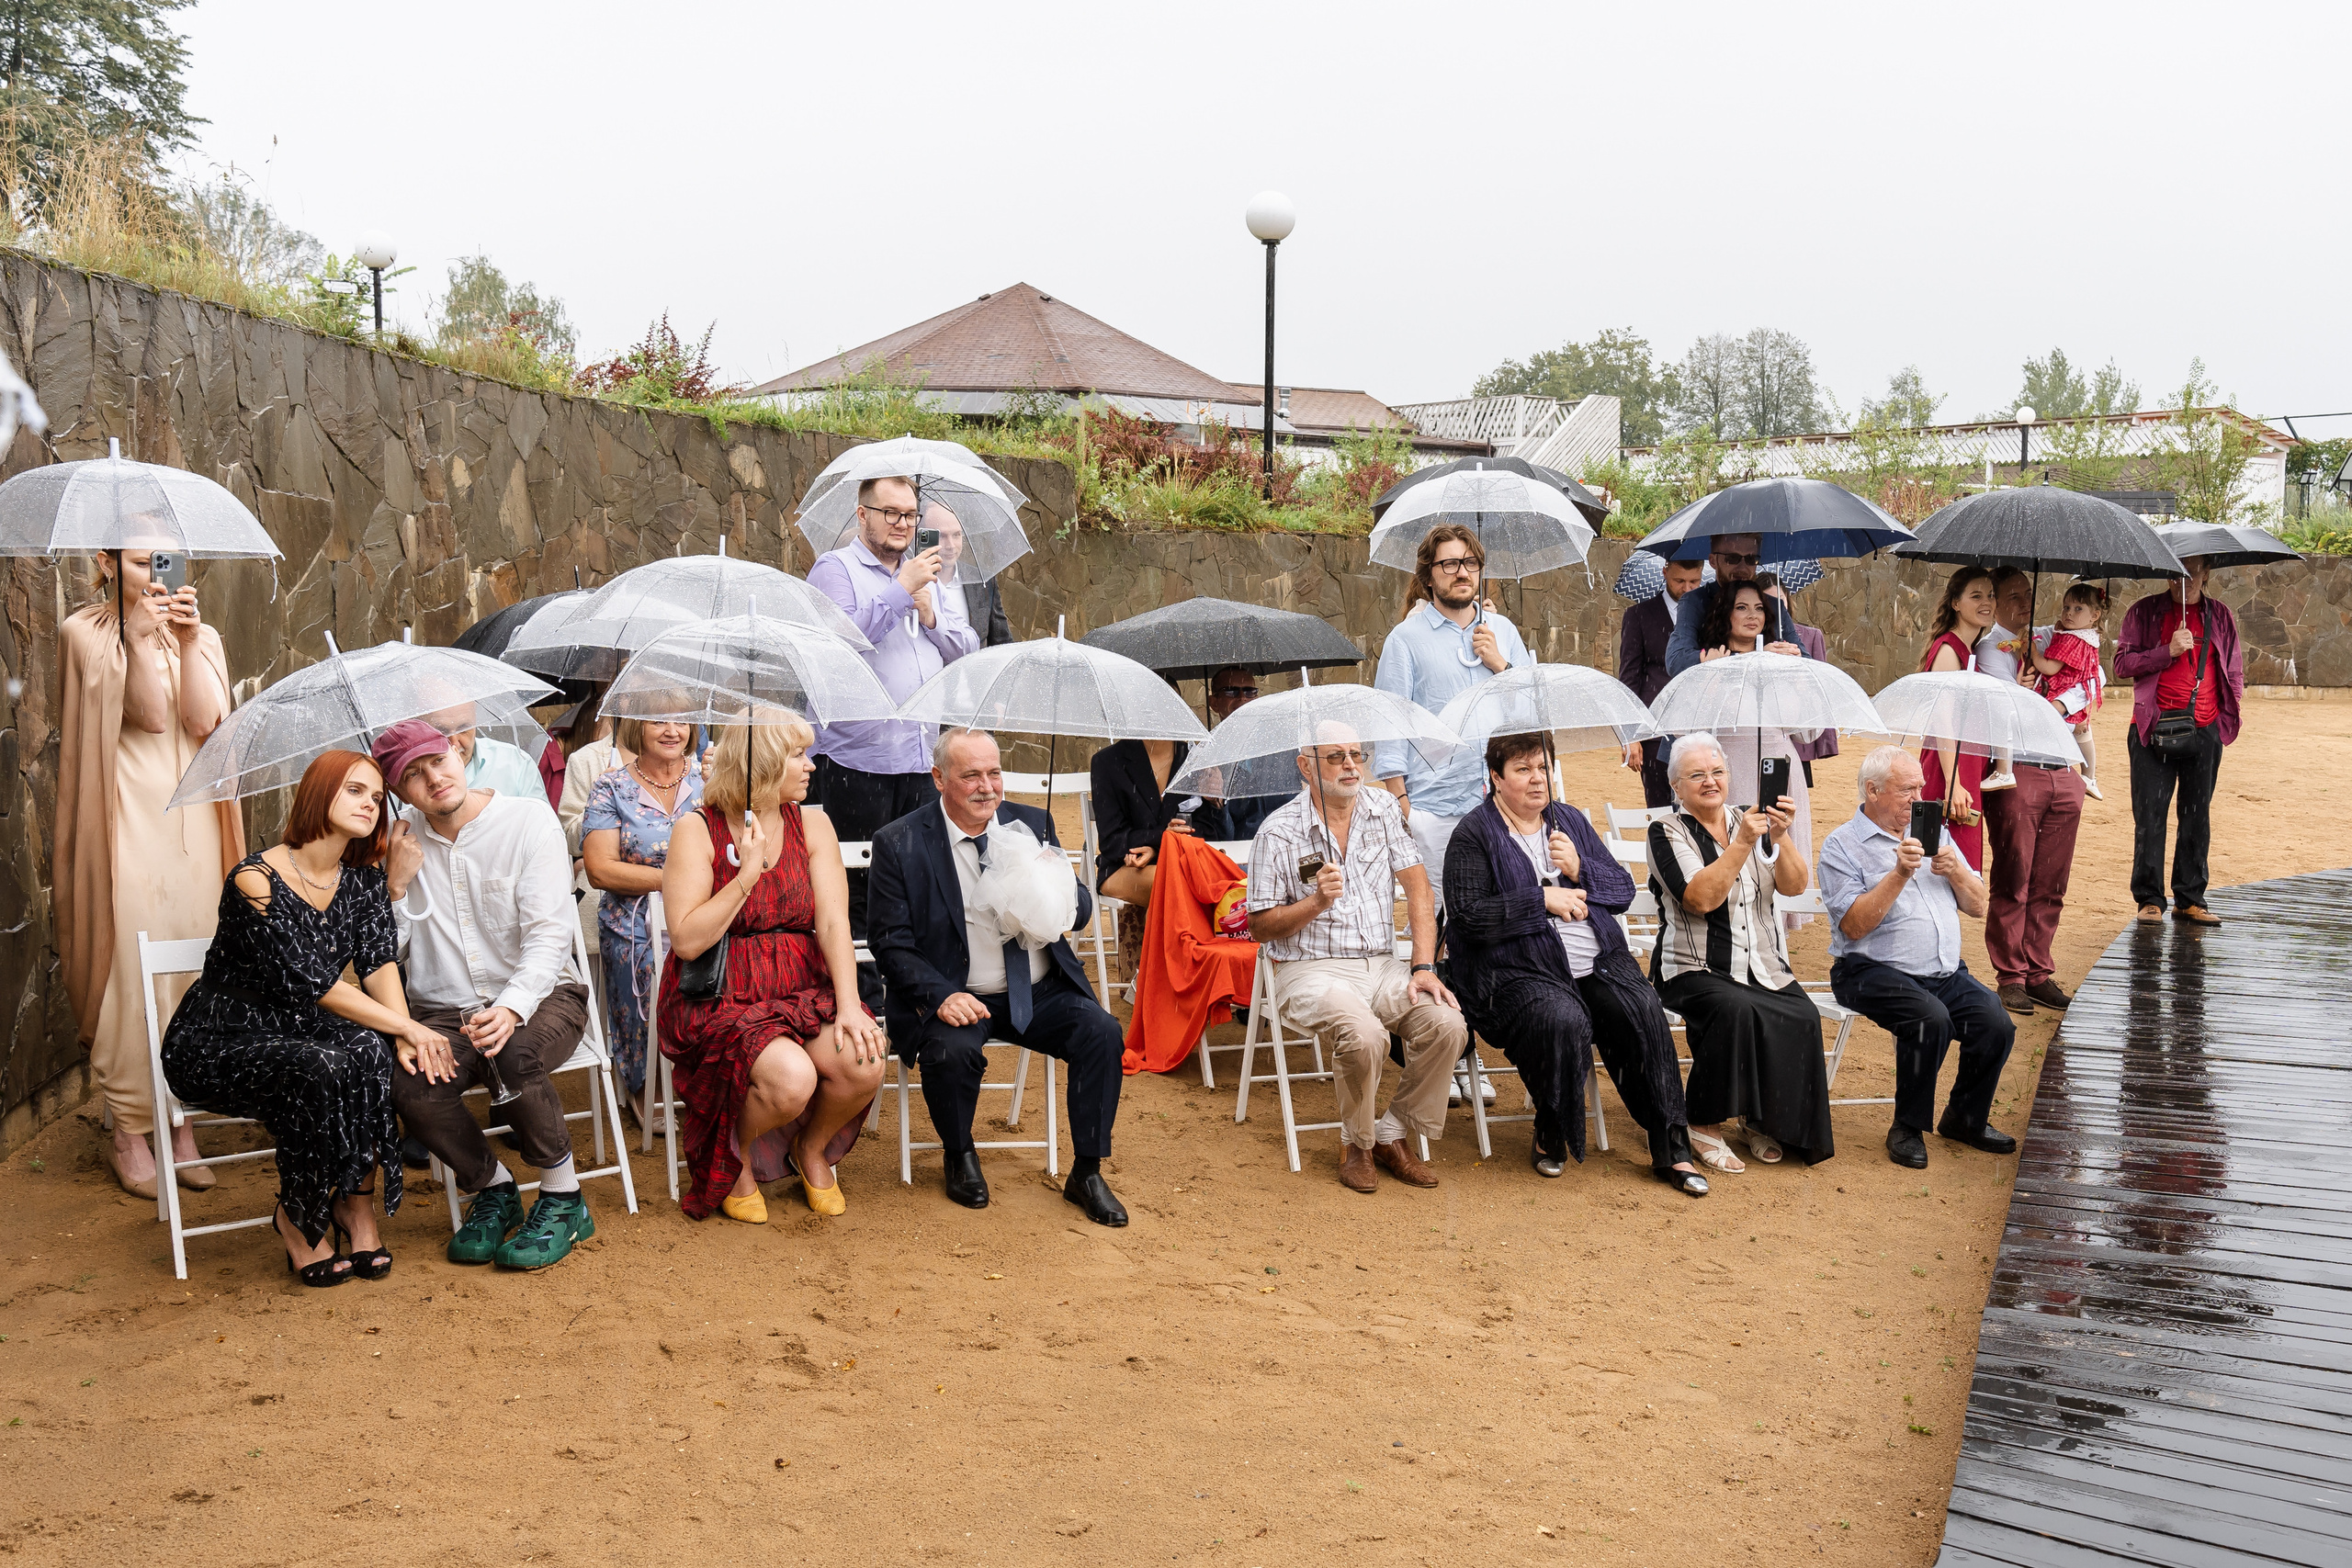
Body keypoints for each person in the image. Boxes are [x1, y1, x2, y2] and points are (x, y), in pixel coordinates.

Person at [162, 751, 445, 1285]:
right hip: (222, 1036)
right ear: (320, 794)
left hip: (298, 1027)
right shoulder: (255, 879)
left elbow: (379, 962)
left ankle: (355, 1208)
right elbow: (317, 983)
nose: (371, 804)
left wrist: (400, 1033)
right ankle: (298, 1217)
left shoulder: (362, 881)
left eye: (377, 796)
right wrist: (408, 1027)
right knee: (322, 1064)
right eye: (356, 791)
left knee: (366, 1050)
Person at [866, 728, 1130, 1224]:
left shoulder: (1032, 824)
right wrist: (941, 995)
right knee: (952, 1051)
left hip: (1038, 989)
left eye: (994, 772)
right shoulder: (900, 842)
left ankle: (1087, 1171)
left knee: (1102, 1032)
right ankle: (959, 1153)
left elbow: (1078, 914)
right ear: (939, 778)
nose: (987, 786)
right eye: (971, 775)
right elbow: (889, 943)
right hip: (955, 994)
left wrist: (1053, 882)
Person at [372, 719, 597, 1270]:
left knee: (513, 1051)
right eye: (413, 776)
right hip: (441, 1009)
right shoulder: (394, 843)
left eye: (438, 762)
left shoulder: (526, 821)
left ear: (457, 751)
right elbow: (383, 955)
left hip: (544, 997)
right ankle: (493, 1188)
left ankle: (564, 1198)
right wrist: (394, 887)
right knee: (410, 1082)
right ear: (397, 791)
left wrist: (511, 1007)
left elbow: (550, 935)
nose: (434, 780)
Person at [1442, 733, 1707, 1193]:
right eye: (1523, 769)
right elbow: (1467, 917)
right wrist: (1540, 899)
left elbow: (1623, 890)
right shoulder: (1474, 833)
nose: (1536, 779)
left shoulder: (1569, 822)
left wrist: (1581, 867)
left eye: (1542, 767)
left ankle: (1671, 1147)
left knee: (1641, 1011)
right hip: (1517, 970)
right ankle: (1551, 1125)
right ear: (1496, 778)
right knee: (1559, 1018)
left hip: (1598, 961)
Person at [57, 546, 243, 1199]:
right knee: (131, 973)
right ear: (106, 563)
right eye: (139, 563)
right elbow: (149, 715)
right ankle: (132, 1127)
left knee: (193, 968)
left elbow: (199, 721)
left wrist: (189, 643)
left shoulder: (207, 635)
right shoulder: (83, 634)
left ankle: (180, 1119)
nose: (156, 577)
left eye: (164, 561)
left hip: (193, 834)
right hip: (126, 830)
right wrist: (136, 640)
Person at [658, 716, 885, 1221]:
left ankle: (811, 1149)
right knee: (791, 1078)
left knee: (865, 1057)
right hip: (723, 995)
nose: (811, 765)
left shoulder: (813, 823)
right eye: (797, 755)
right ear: (760, 764)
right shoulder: (697, 829)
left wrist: (849, 1005)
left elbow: (831, 921)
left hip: (800, 986)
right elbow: (688, 941)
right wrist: (747, 874)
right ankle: (731, 1156)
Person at [1247, 723, 1466, 1193]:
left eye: (1357, 754)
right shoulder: (1279, 831)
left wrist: (1424, 967)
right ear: (1306, 767)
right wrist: (1315, 904)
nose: (1351, 765)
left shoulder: (1384, 807)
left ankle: (1391, 1132)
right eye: (1336, 757)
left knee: (1448, 1024)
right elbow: (1259, 927)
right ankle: (1357, 1143)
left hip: (1383, 965)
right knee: (1365, 1036)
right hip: (1309, 969)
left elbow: (1419, 890)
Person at [807, 475, 979, 994]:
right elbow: (837, 646)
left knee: (915, 886)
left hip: (921, 761)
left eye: (909, 514)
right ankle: (859, 1001)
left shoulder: (936, 582)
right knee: (854, 888)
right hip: (855, 762)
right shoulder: (834, 571)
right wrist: (898, 593)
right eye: (890, 513)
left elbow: (967, 655)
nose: (903, 524)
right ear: (862, 515)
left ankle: (911, 994)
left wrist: (931, 617)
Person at [1819, 748, 2018, 1170]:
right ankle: (1907, 1127)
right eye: (1907, 789)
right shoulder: (1842, 845)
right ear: (1873, 791)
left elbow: (1979, 906)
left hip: (1942, 971)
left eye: (1920, 788)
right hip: (1867, 970)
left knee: (1995, 1022)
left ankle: (1965, 1119)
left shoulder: (1938, 835)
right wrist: (1899, 874)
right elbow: (1854, 926)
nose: (1919, 796)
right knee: (1930, 1019)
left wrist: (1958, 872)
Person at [1646, 732, 1832, 1170]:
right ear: (1676, 786)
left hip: (1762, 963)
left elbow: (1794, 885)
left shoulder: (1751, 818)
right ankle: (1702, 1123)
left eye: (1717, 772)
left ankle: (1763, 1120)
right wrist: (1743, 843)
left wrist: (1782, 837)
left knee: (1802, 1015)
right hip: (1694, 968)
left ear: (1730, 776)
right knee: (1735, 1008)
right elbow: (1699, 899)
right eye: (1697, 775)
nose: (1710, 782)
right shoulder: (1666, 832)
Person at [1371, 524, 1531, 910]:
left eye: (1471, 562)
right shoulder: (1405, 640)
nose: (1462, 572)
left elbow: (1530, 715)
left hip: (1504, 805)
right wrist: (1404, 808)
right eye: (1450, 564)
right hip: (1435, 810)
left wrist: (1501, 665)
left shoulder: (1504, 632)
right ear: (1428, 576)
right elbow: (1390, 725)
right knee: (1447, 918)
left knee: (1507, 912)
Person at [582, 717, 705, 1109]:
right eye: (658, 721)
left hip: (703, 913)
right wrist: (674, 879)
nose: (673, 731)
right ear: (637, 728)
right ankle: (643, 1081)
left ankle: (707, 1076)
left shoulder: (711, 780)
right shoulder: (611, 786)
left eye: (682, 722)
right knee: (645, 966)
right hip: (632, 919)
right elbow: (600, 869)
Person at [2115, 555, 2242, 928]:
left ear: (2206, 573)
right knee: (2150, 816)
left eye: (2191, 570)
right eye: (2174, 571)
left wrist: (2220, 722)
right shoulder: (2143, 613)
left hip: (2204, 728)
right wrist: (2166, 651)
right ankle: (2150, 899)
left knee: (2196, 815)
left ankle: (2190, 898)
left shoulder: (2219, 616)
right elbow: (2122, 665)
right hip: (2152, 728)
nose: (2181, 578)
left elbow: (2233, 669)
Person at [1688, 577, 1815, 878]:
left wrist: (1799, 680)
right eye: (1741, 607)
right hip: (1732, 770)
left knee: (1780, 851)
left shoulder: (1782, 663)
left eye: (1759, 608)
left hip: (1781, 768)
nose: (1752, 615)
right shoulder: (1712, 662)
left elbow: (1807, 733)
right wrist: (1711, 678)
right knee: (1738, 855)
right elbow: (1692, 731)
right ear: (1726, 614)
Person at [1917, 567, 1998, 871]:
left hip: (1966, 769)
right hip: (1948, 770)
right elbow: (1942, 721)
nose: (1986, 602)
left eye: (1990, 595)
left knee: (1959, 868)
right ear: (1955, 603)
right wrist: (1953, 783)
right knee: (1943, 864)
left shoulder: (1971, 650)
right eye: (1975, 595)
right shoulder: (1949, 651)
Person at [1619, 558, 1706, 807]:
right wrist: (1631, 735)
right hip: (1655, 732)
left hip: (1701, 726)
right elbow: (1629, 678)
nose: (1687, 588)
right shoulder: (1638, 615)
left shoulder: (1710, 613)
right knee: (1660, 810)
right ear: (1665, 572)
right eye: (1679, 581)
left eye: (1694, 582)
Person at [1663, 534, 1809, 677]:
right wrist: (1756, 657)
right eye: (1732, 558)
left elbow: (1807, 661)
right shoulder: (1696, 601)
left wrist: (1793, 656)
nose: (1742, 567)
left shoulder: (1773, 604)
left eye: (1751, 559)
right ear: (1713, 561)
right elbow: (1676, 661)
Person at [2029, 582, 2108, 801]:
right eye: (2066, 607)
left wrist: (2033, 652)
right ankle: (2089, 776)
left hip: (2061, 693)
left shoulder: (2072, 639)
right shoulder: (2086, 635)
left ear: (2095, 615)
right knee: (2082, 732)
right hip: (2077, 693)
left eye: (2078, 609)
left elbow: (2049, 667)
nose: (2069, 613)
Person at [1971, 567, 2039, 794]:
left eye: (2028, 594)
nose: (2025, 603)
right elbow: (2012, 708)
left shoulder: (2044, 637)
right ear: (1995, 605)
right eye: (2014, 597)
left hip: (2060, 765)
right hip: (2017, 764)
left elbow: (2093, 674)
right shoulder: (1989, 650)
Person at [1202, 666, 1285, 842]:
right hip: (1240, 851)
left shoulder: (1282, 744)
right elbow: (1219, 834)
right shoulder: (1206, 757)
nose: (1242, 698)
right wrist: (1216, 804)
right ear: (1214, 702)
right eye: (1231, 691)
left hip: (1288, 844)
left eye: (1249, 691)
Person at [934, 501, 1012, 647]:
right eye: (942, 536)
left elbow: (1002, 643)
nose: (951, 545)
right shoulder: (909, 580)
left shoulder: (982, 581)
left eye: (956, 535)